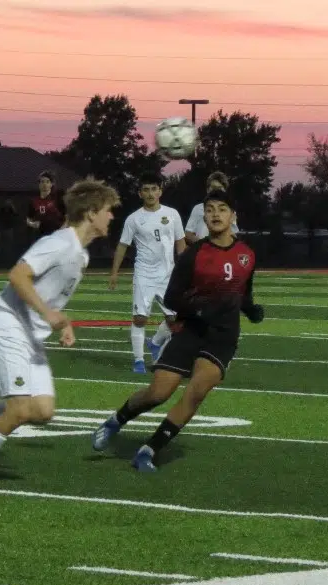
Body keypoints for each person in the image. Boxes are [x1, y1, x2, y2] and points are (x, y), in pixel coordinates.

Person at [0, 179, 121, 490]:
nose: (112, 217)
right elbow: (18, 275)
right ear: (92, 213)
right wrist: (47, 313)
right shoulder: (59, 243)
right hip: (8, 325)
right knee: (20, 409)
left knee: (42, 410)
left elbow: (52, 297)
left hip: (31, 335)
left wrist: (63, 323)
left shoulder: (81, 255)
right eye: (108, 211)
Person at [92, 189, 264, 471]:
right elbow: (172, 297)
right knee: (158, 393)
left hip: (223, 336)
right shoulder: (194, 254)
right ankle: (116, 420)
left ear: (233, 216)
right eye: (209, 209)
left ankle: (148, 450)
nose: (216, 214)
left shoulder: (247, 254)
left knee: (196, 392)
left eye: (222, 208)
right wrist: (199, 309)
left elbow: (242, 293)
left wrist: (251, 309)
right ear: (203, 217)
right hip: (191, 331)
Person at [109, 173, 186, 373]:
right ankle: (138, 361)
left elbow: (180, 242)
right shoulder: (133, 219)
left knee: (174, 321)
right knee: (140, 318)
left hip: (168, 275)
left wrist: (185, 268)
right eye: (146, 189)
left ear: (160, 191)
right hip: (144, 274)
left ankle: (156, 343)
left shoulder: (173, 214)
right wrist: (114, 273)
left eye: (154, 189)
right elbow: (122, 245)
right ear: (140, 193)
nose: (150, 193)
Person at [185, 171, 239, 244]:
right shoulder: (198, 208)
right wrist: (202, 245)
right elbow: (188, 233)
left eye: (219, 188)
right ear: (207, 190)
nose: (216, 191)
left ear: (225, 191)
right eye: (213, 187)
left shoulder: (229, 210)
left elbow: (233, 234)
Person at [26, 170, 66, 237]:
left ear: (51, 184)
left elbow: (67, 218)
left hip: (57, 236)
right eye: (42, 182)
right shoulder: (34, 201)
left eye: (47, 182)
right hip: (41, 236)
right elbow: (28, 219)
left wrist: (61, 231)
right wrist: (32, 224)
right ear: (39, 184)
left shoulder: (58, 199)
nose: (45, 184)